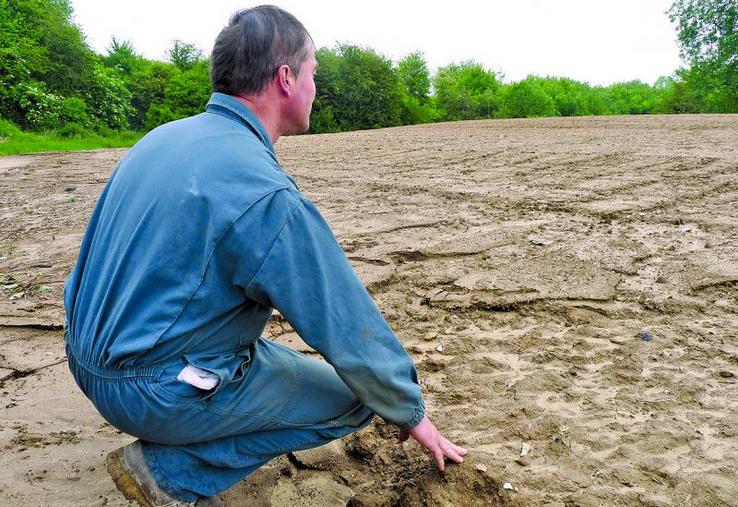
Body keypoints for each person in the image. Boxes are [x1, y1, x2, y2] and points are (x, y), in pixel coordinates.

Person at [63, 5, 467, 506]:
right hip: (148, 389)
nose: (316, 88)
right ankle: (169, 472)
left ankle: (179, 419)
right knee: (358, 397)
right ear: (286, 78)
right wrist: (409, 410)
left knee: (277, 362)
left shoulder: (160, 139)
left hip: (84, 359)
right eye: (313, 73)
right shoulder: (264, 193)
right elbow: (340, 318)